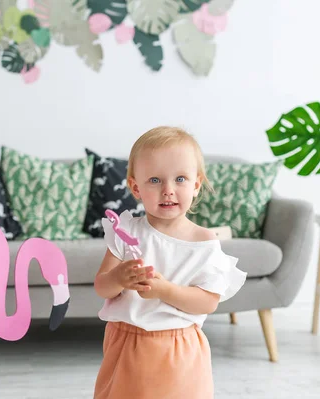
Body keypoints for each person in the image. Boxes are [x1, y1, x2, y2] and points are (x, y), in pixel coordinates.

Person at [93, 126, 247, 399]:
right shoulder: (126, 232)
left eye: (180, 179)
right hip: (126, 343)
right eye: (154, 180)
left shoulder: (204, 242)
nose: (168, 190)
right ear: (135, 187)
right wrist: (118, 278)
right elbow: (102, 287)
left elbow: (207, 302)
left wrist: (165, 291)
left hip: (178, 348)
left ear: (196, 184)